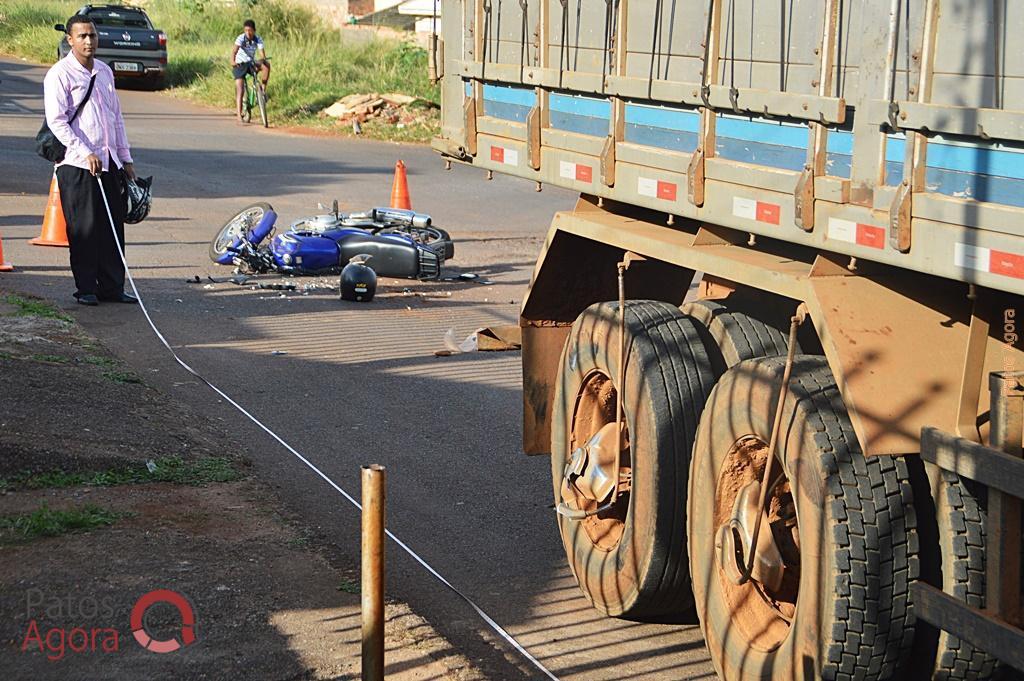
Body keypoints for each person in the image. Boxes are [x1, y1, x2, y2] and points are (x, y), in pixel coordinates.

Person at [44, 14, 138, 306]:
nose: (88, 41)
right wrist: (85, 151)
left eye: (92, 36)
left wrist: (125, 157)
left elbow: (116, 117)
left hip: (108, 161)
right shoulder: (60, 74)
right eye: (82, 36)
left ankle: (112, 286)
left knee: (112, 227)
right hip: (77, 163)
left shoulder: (104, 72)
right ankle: (86, 288)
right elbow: (57, 122)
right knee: (84, 228)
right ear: (70, 40)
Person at [231, 19, 270, 123]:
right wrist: (233, 62)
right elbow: (234, 51)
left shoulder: (258, 39)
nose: (248, 32)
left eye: (250, 30)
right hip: (240, 64)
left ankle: (262, 91)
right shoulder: (241, 38)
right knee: (240, 89)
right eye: (246, 30)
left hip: (250, 63)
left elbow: (262, 53)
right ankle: (239, 114)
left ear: (254, 30)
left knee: (266, 66)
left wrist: (262, 59)